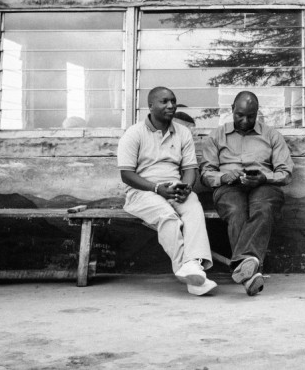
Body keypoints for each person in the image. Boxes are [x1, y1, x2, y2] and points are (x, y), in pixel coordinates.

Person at [117, 86, 217, 296]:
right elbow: (126, 175)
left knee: (194, 208)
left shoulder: (182, 133)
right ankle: (189, 269)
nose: (171, 105)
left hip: (174, 189)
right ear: (150, 106)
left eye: (173, 101)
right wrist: (155, 188)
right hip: (142, 191)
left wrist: (187, 187)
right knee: (168, 217)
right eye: (164, 101)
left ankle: (193, 272)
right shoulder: (133, 134)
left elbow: (190, 169)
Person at [200, 91, 293, 296]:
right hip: (228, 187)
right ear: (232, 109)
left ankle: (244, 267)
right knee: (236, 210)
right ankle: (250, 270)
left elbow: (285, 173)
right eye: (239, 115)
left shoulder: (271, 136)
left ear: (257, 113)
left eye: (250, 116)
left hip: (264, 185)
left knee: (264, 208)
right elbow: (206, 174)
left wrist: (264, 177)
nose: (244, 120)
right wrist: (224, 177)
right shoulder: (216, 136)